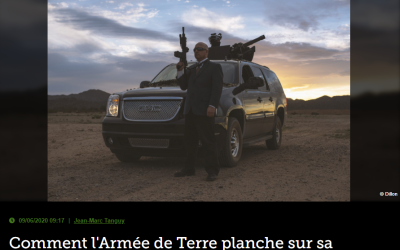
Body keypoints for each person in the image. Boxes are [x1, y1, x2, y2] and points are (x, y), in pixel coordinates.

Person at [174, 42, 223, 181]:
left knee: (208, 141)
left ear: (207, 52)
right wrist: (179, 70)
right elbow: (184, 86)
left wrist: (212, 105)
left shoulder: (214, 67)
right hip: (190, 110)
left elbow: (217, 88)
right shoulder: (192, 68)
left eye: (199, 49)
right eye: (195, 50)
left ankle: (212, 171)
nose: (196, 52)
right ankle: (189, 168)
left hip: (204, 109)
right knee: (190, 141)